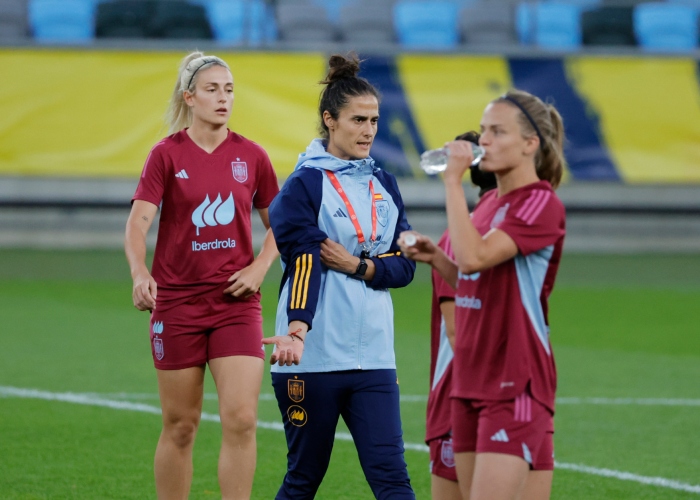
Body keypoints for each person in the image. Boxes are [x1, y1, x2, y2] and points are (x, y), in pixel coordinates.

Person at [124, 51, 280, 500]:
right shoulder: (165, 155)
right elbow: (137, 223)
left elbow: (280, 227)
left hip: (235, 305)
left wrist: (260, 265)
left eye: (229, 89)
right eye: (212, 89)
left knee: (242, 418)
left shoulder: (251, 156)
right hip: (177, 305)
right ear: (189, 97)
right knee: (180, 426)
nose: (223, 98)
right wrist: (139, 273)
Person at [261, 53, 417, 500]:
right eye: (358, 120)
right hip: (312, 354)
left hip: (375, 356)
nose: (369, 130)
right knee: (304, 478)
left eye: (374, 120)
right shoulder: (302, 186)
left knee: (392, 477)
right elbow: (305, 261)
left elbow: (404, 265)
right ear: (330, 120)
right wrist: (297, 328)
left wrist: (360, 266)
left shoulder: (384, 183)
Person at [400, 89, 567, 500]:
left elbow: (475, 258)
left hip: (515, 381)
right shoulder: (491, 202)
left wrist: (452, 181)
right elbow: (473, 279)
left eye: (497, 131)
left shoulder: (539, 203)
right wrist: (438, 259)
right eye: (485, 129)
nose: (483, 141)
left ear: (531, 145)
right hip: (470, 379)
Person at [423, 132, 496, 500]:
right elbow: (457, 334)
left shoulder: (500, 231)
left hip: (491, 397)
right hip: (462, 396)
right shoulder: (463, 236)